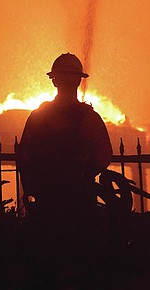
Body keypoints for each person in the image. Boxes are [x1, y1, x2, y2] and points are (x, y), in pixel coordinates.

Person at [18, 53, 113, 225]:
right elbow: (104, 155)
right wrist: (83, 174)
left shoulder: (38, 117)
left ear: (54, 81)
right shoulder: (90, 118)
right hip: (80, 201)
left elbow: (24, 156)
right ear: (79, 81)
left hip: (46, 199)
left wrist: (32, 189)